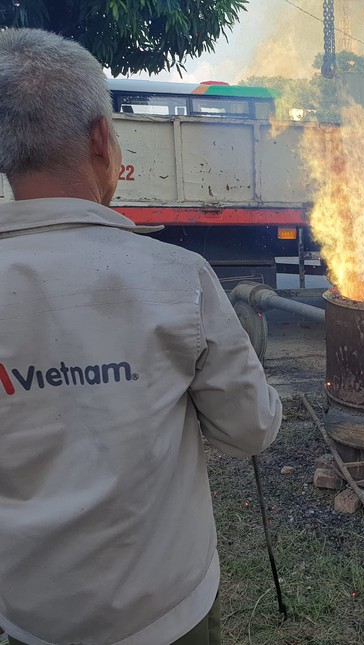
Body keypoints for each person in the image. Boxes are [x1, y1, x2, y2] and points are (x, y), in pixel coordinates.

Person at [0, 29, 283, 644]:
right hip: (169, 615)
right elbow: (251, 429)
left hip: (29, 619)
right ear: (102, 138)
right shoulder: (178, 277)